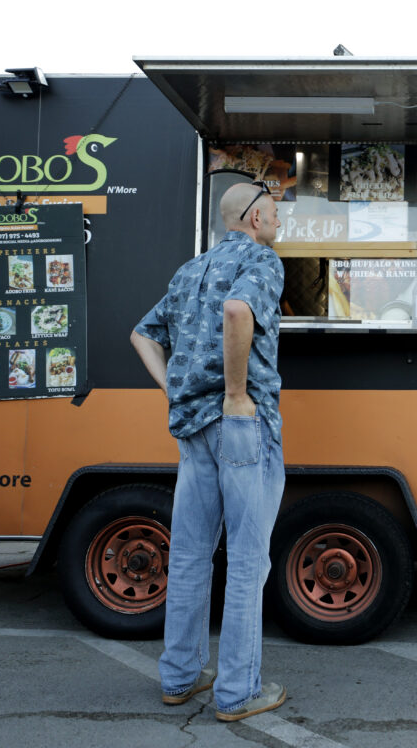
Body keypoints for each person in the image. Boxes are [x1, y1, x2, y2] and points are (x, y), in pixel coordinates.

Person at [130, 180, 289, 722]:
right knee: (248, 560)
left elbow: (142, 336)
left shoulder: (189, 270)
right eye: (272, 211)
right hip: (241, 425)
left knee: (194, 555)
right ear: (251, 218)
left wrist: (173, 389)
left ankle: (179, 677)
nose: (277, 219)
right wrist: (238, 394)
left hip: (192, 429)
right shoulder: (262, 261)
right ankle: (239, 692)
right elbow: (239, 312)